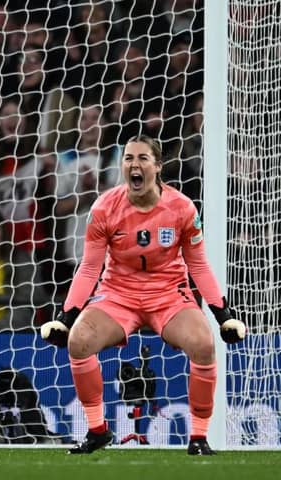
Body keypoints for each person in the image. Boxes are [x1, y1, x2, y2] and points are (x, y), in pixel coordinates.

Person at [41, 135, 247, 455]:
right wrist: (65, 318)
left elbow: (200, 267)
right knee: (78, 341)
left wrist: (224, 315)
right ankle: (97, 431)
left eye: (142, 158)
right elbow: (89, 269)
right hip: (118, 294)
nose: (134, 164)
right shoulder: (104, 208)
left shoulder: (181, 208)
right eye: (128, 158)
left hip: (169, 294)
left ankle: (198, 438)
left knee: (204, 345)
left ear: (157, 167)